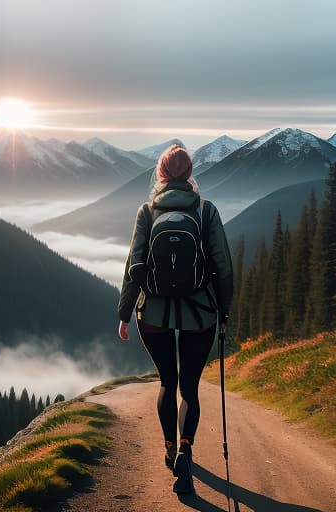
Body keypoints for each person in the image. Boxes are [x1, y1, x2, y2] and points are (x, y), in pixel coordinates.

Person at [117, 143, 233, 494]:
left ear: (162, 173)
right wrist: (224, 311)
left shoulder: (147, 211)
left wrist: (124, 314)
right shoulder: (205, 210)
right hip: (199, 313)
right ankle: (186, 447)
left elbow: (134, 267)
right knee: (190, 388)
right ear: (190, 173)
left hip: (153, 312)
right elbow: (223, 267)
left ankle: (169, 448)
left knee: (167, 382)